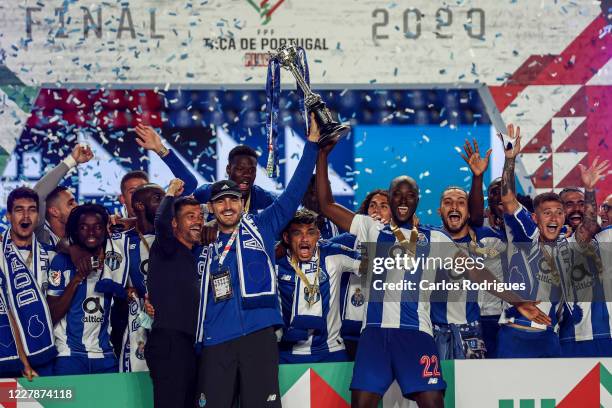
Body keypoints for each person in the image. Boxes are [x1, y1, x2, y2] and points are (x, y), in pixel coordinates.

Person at [315, 139, 547, 408]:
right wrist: (322, 156)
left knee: (433, 402)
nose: (403, 200)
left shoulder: (434, 238)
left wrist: (518, 300)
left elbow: (477, 273)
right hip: (375, 334)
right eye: (397, 194)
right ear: (389, 199)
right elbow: (326, 203)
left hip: (416, 334)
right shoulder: (370, 229)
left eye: (409, 195)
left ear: (417, 200)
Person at [194, 115, 320, 407]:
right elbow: (164, 226)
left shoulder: (262, 225)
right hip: (215, 337)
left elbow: (293, 193)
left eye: (233, 200)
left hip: (258, 333)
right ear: (211, 207)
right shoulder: (199, 238)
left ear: (242, 202)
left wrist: (311, 145)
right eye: (221, 201)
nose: (228, 205)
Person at [497, 124, 566, 358]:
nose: (554, 217)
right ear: (535, 218)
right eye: (547, 213)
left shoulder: (568, 245)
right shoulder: (527, 233)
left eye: (559, 212)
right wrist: (510, 159)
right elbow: (507, 199)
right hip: (515, 335)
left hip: (548, 337)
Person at [145, 179, 203, 408]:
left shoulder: (194, 254)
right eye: (190, 216)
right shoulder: (166, 247)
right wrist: (170, 193)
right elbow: (160, 222)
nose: (198, 220)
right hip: (169, 342)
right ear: (175, 224)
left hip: (191, 344)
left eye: (200, 216)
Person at [96, 183, 165, 372]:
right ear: (139, 206)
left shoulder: (175, 238)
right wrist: (125, 291)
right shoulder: (120, 240)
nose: (165, 202)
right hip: (137, 321)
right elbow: (107, 282)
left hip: (173, 321)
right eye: (158, 199)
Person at [277, 209, 361, 363]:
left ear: (318, 235)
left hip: (331, 351)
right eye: (297, 233)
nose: (305, 239)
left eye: (310, 232)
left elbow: (375, 266)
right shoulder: (275, 262)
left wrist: (390, 232)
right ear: (286, 237)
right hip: (288, 354)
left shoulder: (333, 254)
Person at [433, 186, 505, 360]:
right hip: (434, 332)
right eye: (448, 202)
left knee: (474, 385)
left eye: (461, 202)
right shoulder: (428, 239)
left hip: (473, 331)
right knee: (434, 386)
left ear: (469, 211)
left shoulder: (490, 239)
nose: (454, 207)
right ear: (439, 210)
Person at [46, 204, 119, 374]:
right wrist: (77, 279)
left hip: (106, 356)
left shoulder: (116, 260)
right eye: (84, 227)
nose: (91, 232)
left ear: (106, 230)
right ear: (76, 231)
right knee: (68, 402)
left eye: (98, 227)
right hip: (70, 356)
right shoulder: (61, 262)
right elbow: (52, 315)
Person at [0, 187, 57, 376]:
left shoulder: (51, 254)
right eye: (19, 210)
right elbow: (6, 311)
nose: (26, 216)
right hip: (8, 354)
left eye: (32, 210)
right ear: (8, 215)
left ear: (38, 216)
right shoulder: (0, 255)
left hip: (48, 352)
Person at [557, 157, 610, 357]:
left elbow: (588, 226)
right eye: (569, 204)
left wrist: (589, 190)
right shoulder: (552, 243)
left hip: (605, 334)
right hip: (571, 335)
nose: (576, 208)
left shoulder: (601, 236)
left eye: (581, 203)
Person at [331, 189, 391, 360]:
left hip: (379, 332)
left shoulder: (400, 244)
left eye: (383, 206)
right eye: (372, 206)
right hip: (344, 334)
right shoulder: (346, 241)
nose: (377, 210)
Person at [34, 144, 93, 247]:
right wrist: (72, 160)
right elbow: (38, 195)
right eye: (70, 203)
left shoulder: (85, 237)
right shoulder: (41, 237)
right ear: (54, 211)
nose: (77, 206)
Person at [192, 144, 277, 214]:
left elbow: (286, 203)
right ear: (228, 169)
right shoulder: (207, 192)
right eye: (240, 169)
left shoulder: (260, 196)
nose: (247, 175)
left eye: (251, 170)